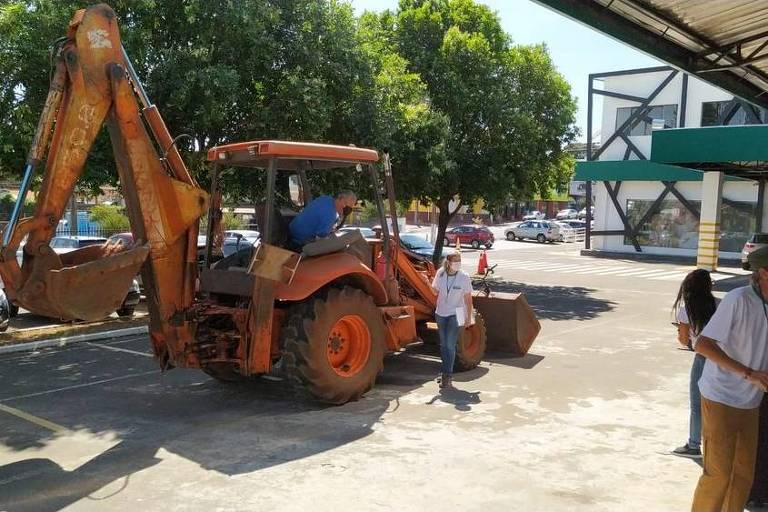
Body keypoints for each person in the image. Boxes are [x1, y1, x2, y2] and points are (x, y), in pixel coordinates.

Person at [691, 245, 768, 512]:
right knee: (719, 474)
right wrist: (748, 373)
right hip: (721, 395)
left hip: (751, 400)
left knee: (742, 474)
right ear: (764, 273)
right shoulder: (739, 299)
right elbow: (703, 345)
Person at [671, 269, 717, 459]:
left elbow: (683, 340)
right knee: (717, 403)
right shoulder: (720, 304)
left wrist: (685, 335)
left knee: (697, 404)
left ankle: (693, 445)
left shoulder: (686, 310)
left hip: (702, 358)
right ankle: (715, 445)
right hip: (723, 358)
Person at [430, 251, 474, 389]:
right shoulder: (441, 273)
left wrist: (469, 317)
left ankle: (447, 375)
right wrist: (427, 283)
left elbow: (468, 298)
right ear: (448, 262)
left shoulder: (464, 277)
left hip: (457, 313)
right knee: (444, 345)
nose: (458, 263)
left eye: (459, 260)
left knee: (450, 344)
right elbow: (435, 292)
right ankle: (445, 372)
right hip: (441, 313)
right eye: (455, 260)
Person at [288, 190, 357, 247]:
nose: (346, 210)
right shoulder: (330, 215)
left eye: (350, 208)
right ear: (339, 198)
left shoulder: (326, 199)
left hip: (290, 230)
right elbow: (321, 240)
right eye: (345, 204)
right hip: (298, 240)